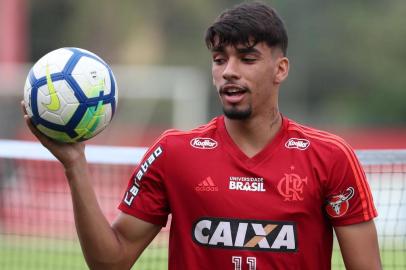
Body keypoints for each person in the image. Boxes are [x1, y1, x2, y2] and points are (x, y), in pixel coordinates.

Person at [22, 2, 382, 269]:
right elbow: (110, 262)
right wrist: (74, 164)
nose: (229, 71)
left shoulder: (330, 156)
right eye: (219, 58)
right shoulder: (173, 152)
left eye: (247, 58)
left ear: (280, 69)